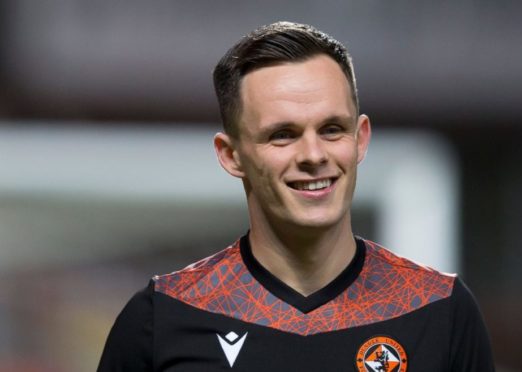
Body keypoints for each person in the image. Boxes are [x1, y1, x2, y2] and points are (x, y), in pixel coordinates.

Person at [98, 21, 495, 371]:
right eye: (282, 135)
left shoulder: (438, 309)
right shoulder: (163, 318)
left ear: (361, 139)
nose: (313, 155)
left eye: (332, 129)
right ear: (231, 155)